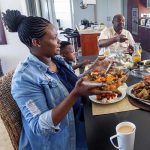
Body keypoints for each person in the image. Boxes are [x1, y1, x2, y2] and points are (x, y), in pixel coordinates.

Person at [2, 9, 105, 150]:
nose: (59, 41)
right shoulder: (23, 79)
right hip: (60, 139)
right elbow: (39, 126)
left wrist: (93, 68)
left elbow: (72, 84)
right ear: (37, 42)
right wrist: (75, 94)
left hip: (78, 117)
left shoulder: (56, 60)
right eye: (54, 37)